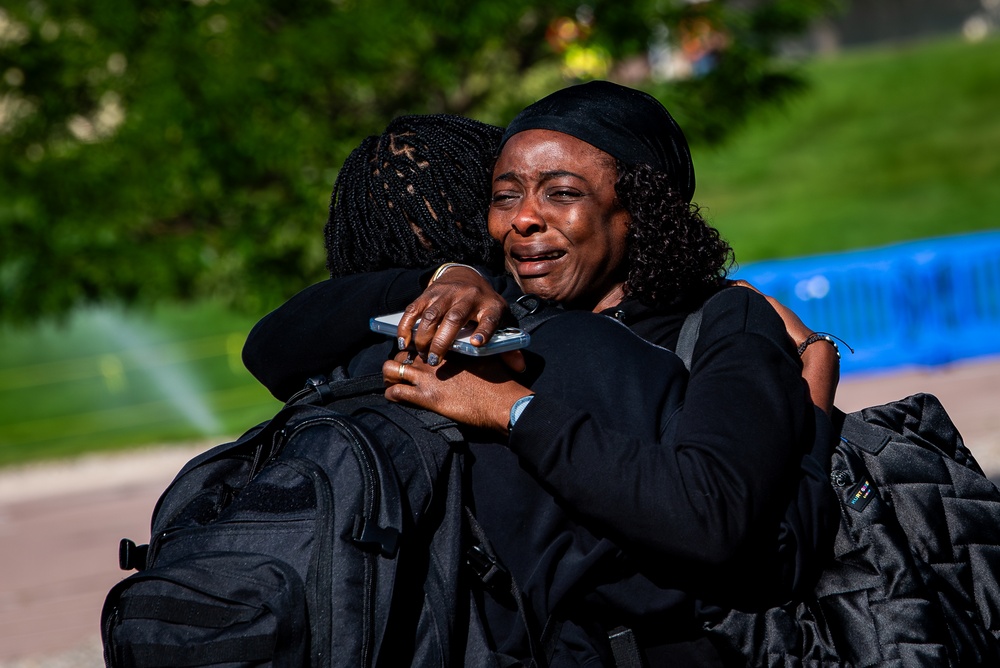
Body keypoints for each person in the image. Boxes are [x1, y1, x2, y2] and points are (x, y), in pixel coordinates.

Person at [243, 94, 838, 665]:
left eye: (561, 193)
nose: (524, 218)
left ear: (641, 206)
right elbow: (275, 341)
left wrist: (513, 410)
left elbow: (744, 539)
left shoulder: (722, 321)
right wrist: (449, 275)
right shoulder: (505, 312)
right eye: (505, 197)